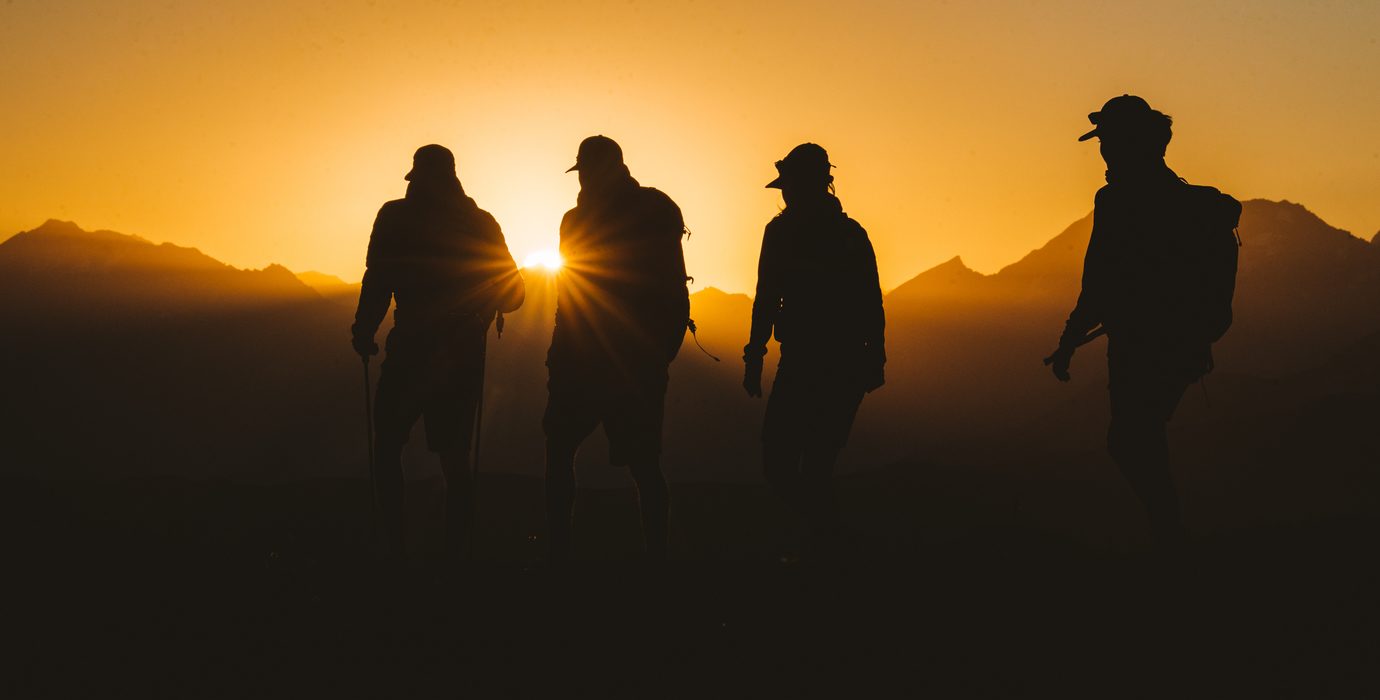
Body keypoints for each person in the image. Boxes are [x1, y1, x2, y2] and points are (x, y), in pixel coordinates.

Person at [1047, 95, 1240, 548]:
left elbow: (1097, 279)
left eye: (1108, 142)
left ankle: (1169, 535)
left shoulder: (1117, 200)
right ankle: (1169, 531)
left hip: (1139, 343)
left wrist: (1070, 339)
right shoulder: (1191, 204)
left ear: (1126, 144)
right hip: (1181, 343)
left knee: (1130, 439)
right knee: (1139, 434)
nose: (1103, 152)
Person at [352, 144, 525, 563]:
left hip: (409, 347)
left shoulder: (394, 217)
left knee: (389, 445)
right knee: (453, 456)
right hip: (462, 354)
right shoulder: (481, 223)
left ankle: (395, 545)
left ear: (417, 178)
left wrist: (364, 330)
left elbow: (378, 280)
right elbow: (515, 294)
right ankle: (454, 553)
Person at [543, 135, 690, 562]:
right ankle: (655, 558)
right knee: (644, 463)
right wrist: (662, 352)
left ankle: (559, 553)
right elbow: (673, 289)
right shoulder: (658, 209)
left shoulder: (575, 221)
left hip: (585, 357)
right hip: (633, 359)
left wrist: (559, 351)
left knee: (561, 451)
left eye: (586, 170)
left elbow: (571, 290)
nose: (583, 178)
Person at [743, 143, 885, 556]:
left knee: (792, 463)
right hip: (834, 362)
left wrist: (755, 359)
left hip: (820, 362)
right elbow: (869, 301)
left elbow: (766, 298)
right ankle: (829, 543)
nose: (786, 194)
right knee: (805, 463)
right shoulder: (847, 234)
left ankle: (827, 547)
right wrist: (875, 358)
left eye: (789, 186)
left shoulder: (793, 233)